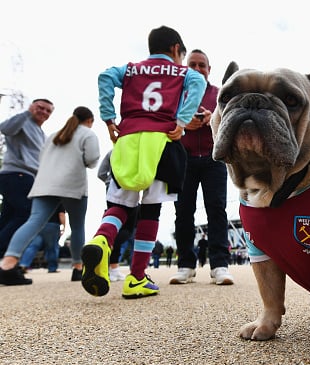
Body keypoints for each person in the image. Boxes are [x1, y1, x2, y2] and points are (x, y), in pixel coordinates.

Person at [80, 25, 206, 299]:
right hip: (161, 141)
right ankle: (137, 278)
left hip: (127, 139)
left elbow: (105, 76)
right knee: (150, 211)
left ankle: (102, 240)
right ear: (175, 49)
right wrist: (182, 122)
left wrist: (109, 117)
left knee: (119, 206)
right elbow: (198, 82)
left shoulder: (130, 69)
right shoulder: (181, 72)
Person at [0, 106, 100, 285]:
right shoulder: (88, 134)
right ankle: (77, 268)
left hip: (44, 184)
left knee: (34, 221)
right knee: (77, 227)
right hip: (72, 184)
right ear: (90, 121)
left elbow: (41, 159)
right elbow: (92, 160)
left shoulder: (53, 135)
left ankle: (8, 264)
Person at [169, 49, 234, 285]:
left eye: (202, 65)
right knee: (183, 211)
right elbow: (166, 121)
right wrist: (184, 123)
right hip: (183, 158)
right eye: (192, 65)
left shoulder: (220, 95)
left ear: (209, 69)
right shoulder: (175, 93)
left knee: (217, 209)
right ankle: (185, 264)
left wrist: (211, 118)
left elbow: (232, 123)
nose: (197, 69)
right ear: (185, 68)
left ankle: (220, 264)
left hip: (213, 158)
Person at [0, 98, 54, 259]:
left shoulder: (41, 134)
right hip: (16, 174)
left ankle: (5, 261)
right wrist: (26, 113)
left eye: (48, 111)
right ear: (32, 107)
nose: (43, 112)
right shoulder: (23, 121)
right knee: (26, 215)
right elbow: (5, 128)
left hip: (28, 177)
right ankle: (5, 255)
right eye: (40, 108)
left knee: (8, 217)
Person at [96, 150, 134, 282]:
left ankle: (113, 267)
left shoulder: (112, 152)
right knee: (126, 230)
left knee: (114, 224)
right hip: (131, 187)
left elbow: (100, 173)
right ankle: (110, 264)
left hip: (111, 188)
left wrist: (108, 180)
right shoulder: (135, 147)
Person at [18, 204, 65, 273]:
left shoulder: (39, 199)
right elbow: (61, 214)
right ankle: (52, 268)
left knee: (33, 246)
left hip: (38, 224)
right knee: (52, 248)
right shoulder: (58, 201)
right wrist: (64, 226)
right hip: (52, 225)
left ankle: (23, 264)